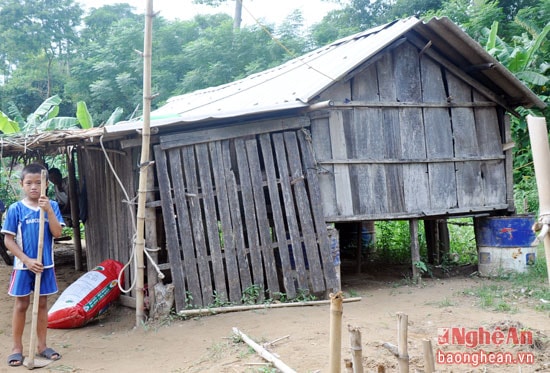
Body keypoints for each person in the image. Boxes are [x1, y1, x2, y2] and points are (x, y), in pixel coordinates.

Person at [2, 163, 65, 367]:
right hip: (23, 266)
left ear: (45, 184)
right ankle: (17, 348)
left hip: (45, 265)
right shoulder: (16, 209)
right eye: (29, 183)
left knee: (42, 304)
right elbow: (8, 240)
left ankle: (42, 346)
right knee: (21, 305)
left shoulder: (52, 206)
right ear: (22, 184)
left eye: (39, 183)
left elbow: (57, 233)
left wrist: (48, 211)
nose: (34, 187)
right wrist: (27, 261)